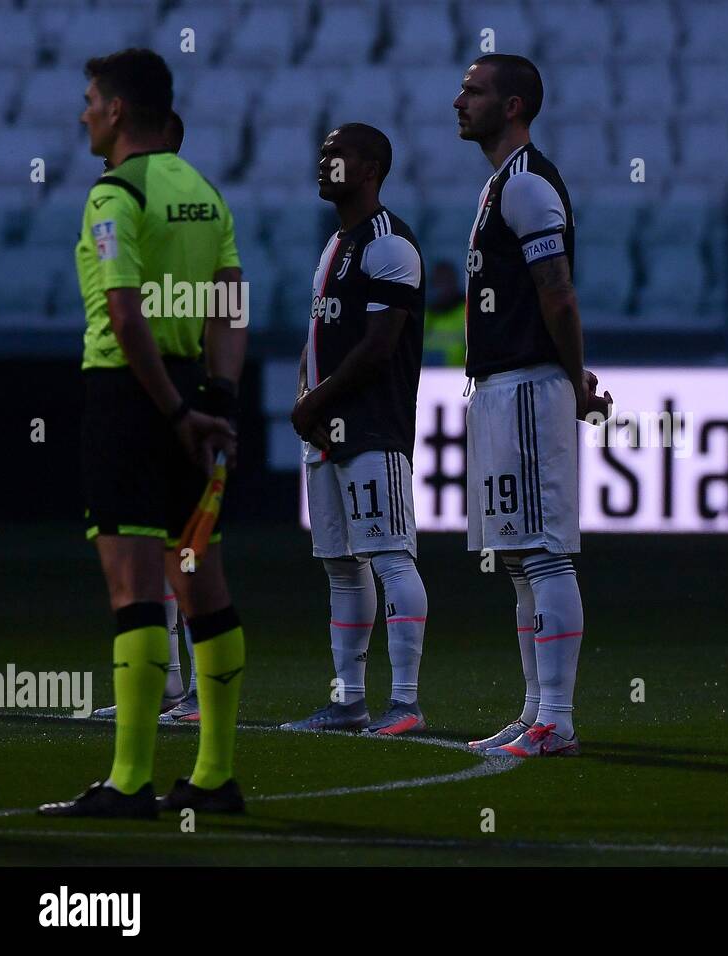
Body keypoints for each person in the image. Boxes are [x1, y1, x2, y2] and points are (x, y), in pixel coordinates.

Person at [40, 49, 247, 818]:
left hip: (132, 402)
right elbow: (231, 309)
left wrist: (169, 412)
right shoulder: (206, 194)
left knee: (135, 592)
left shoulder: (113, 195)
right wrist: (214, 403)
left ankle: (128, 782)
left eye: (91, 98)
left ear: (119, 110)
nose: (84, 112)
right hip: (195, 393)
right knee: (204, 589)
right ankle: (216, 775)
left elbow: (125, 317)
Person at [454, 54, 610, 758]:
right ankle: (533, 711)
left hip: (526, 385)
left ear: (513, 105)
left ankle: (558, 718)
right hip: (501, 387)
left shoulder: (526, 186)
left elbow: (558, 292)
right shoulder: (501, 186)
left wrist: (573, 380)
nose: (460, 101)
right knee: (520, 558)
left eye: (475, 91)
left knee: (545, 555)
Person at [282, 124, 430, 736]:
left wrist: (316, 399)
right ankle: (348, 701)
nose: (322, 164)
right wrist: (307, 398)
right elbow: (324, 336)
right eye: (320, 154)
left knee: (391, 557)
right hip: (326, 431)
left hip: (373, 427)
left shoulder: (389, 243)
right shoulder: (338, 243)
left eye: (334, 155)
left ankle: (406, 703)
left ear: (369, 168)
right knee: (342, 566)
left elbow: (377, 348)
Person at [92, 107, 199, 725]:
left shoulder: (130, 203)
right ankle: (170, 689)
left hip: (153, 391)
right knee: (163, 553)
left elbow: (130, 313)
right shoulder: (202, 205)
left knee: (174, 552)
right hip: (173, 386)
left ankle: (185, 700)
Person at [423, 261, 467, 367]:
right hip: (426, 376)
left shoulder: (466, 313)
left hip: (457, 377)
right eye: (438, 283)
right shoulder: (426, 315)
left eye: (446, 282)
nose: (442, 288)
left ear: (454, 283)